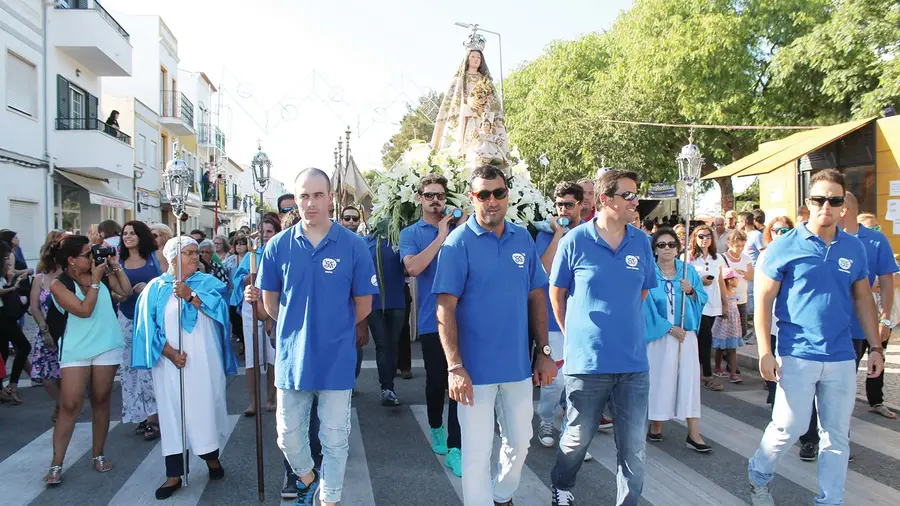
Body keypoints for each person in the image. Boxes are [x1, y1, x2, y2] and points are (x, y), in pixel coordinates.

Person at [748, 169, 884, 506]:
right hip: (797, 353)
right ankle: (759, 475)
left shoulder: (854, 248)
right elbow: (763, 300)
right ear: (808, 203)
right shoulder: (784, 246)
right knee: (787, 429)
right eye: (820, 199)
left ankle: (830, 500)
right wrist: (765, 350)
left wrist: (877, 346)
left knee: (836, 437)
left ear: (843, 208)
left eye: (834, 200)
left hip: (840, 355)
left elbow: (864, 297)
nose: (827, 205)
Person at [254, 167, 377, 506]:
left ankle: (330, 499)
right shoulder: (278, 246)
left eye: (318, 195)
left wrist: (331, 327)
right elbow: (270, 303)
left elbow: (363, 305)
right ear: (296, 200)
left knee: (335, 439)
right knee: (288, 437)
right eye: (304, 196)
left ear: (330, 199)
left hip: (337, 357)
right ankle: (309, 480)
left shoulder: (353, 246)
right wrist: (299, 326)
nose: (311, 203)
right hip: (293, 358)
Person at [433, 165, 555, 506]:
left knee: (521, 442)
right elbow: (445, 307)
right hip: (473, 373)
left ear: (507, 195)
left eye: (498, 193)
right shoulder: (458, 244)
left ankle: (502, 494)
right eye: (483, 194)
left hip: (516, 367)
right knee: (475, 452)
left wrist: (543, 351)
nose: (491, 201)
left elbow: (536, 296)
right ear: (472, 198)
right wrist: (455, 366)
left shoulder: (522, 239)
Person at [549, 169, 656, 506]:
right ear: (606, 200)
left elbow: (640, 292)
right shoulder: (574, 241)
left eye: (636, 195)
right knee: (577, 438)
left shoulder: (641, 241)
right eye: (628, 195)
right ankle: (562, 486)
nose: (635, 201)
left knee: (633, 447)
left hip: (633, 364)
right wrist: (574, 334)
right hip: (587, 363)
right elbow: (557, 293)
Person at [131, 236, 238, 499]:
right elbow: (146, 328)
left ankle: (211, 457)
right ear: (172, 258)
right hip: (169, 363)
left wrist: (191, 296)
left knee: (204, 407)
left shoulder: (208, 283)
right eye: (189, 253)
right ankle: (174, 474)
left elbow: (222, 314)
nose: (195, 257)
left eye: (196, 253)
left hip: (204, 359)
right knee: (172, 412)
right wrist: (169, 352)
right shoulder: (154, 289)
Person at [43, 233, 132, 484]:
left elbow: (125, 291)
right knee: (70, 405)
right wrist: (95, 281)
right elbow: (84, 310)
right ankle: (56, 462)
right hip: (75, 348)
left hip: (106, 344)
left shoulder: (101, 274)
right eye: (87, 254)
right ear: (71, 260)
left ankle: (98, 454)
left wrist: (114, 267)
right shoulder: (58, 285)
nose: (93, 257)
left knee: (101, 399)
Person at [400, 173, 466, 474]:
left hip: (466, 319)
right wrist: (442, 236)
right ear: (419, 199)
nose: (435, 200)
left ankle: (456, 446)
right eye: (429, 195)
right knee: (437, 380)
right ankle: (435, 425)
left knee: (459, 383)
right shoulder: (411, 233)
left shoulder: (463, 228)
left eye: (440, 195)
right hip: (433, 320)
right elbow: (413, 267)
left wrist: (461, 229)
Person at [644, 227, 709, 450]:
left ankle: (693, 432)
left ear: (678, 248)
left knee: (688, 380)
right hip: (659, 336)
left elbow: (702, 298)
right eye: (661, 245)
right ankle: (655, 424)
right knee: (660, 379)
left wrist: (691, 291)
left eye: (671, 245)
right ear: (654, 249)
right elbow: (645, 306)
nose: (667, 249)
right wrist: (668, 328)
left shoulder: (687, 272)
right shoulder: (648, 272)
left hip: (685, 336)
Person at [840, 192, 898, 421]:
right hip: (835, 327)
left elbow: (888, 282)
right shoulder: (825, 239)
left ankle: (874, 403)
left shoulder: (876, 241)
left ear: (843, 208)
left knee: (862, 374)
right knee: (837, 386)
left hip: (864, 325)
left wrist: (885, 319)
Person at [536, 181, 584, 450]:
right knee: (555, 380)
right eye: (559, 204)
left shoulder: (592, 232)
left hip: (584, 318)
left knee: (579, 382)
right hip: (554, 319)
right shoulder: (545, 233)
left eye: (569, 204)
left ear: (581, 205)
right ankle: (545, 418)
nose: (563, 209)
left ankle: (570, 431)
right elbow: (543, 269)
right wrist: (558, 235)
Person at [117, 221, 162, 441]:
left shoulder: (155, 257)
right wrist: (118, 294)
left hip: (152, 318)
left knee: (151, 368)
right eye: (124, 233)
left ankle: (154, 417)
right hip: (126, 317)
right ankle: (140, 415)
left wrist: (150, 287)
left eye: (132, 233)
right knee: (130, 369)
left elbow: (169, 283)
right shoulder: (118, 261)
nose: (128, 237)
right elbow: (112, 288)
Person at [230, 216, 280, 415]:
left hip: (274, 306)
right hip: (251, 306)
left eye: (270, 231)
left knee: (273, 355)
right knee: (252, 357)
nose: (266, 235)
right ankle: (252, 401)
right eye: (263, 232)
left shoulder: (280, 251)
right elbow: (238, 282)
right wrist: (250, 276)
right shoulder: (252, 254)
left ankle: (271, 398)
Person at [432, 31, 508, 160]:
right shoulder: (459, 79)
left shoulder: (485, 80)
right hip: (464, 118)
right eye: (473, 56)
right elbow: (453, 101)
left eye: (478, 58)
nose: (476, 60)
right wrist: (469, 104)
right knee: (463, 145)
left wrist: (484, 103)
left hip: (481, 118)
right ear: (467, 58)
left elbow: (493, 102)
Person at [363, 231, 406, 406]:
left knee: (393, 345)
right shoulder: (365, 242)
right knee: (383, 346)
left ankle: (390, 386)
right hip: (373, 304)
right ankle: (387, 388)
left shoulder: (399, 238)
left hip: (396, 301)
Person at [27, 231, 67, 419]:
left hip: (67, 330)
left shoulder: (68, 276)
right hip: (46, 331)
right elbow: (34, 307)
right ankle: (62, 404)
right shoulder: (39, 279)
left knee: (65, 373)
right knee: (46, 374)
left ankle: (65, 406)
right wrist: (44, 330)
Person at [687, 224, 727, 392]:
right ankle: (707, 376)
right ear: (695, 238)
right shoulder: (688, 257)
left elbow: (721, 281)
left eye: (708, 236)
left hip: (712, 303)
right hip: (695, 303)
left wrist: (725, 303)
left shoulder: (717, 258)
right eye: (701, 236)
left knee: (702, 339)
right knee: (705, 338)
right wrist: (699, 281)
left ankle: (697, 372)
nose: (705, 239)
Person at [0, 243, 31, 404]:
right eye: (6, 257)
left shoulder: (4, 273)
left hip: (5, 316)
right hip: (4, 317)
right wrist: (12, 285)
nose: (8, 260)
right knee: (24, 346)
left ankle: (8, 387)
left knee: (4, 352)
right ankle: (11, 386)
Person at [712, 268, 744, 383]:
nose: (738, 281)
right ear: (730, 280)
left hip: (733, 324)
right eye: (736, 279)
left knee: (732, 348)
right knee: (720, 347)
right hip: (724, 322)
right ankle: (718, 368)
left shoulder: (734, 294)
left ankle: (733, 372)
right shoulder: (723, 294)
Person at [722, 230, 753, 340]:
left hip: (742, 299)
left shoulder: (746, 258)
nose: (740, 248)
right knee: (727, 331)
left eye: (742, 245)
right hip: (728, 300)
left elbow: (752, 275)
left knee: (742, 330)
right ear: (729, 244)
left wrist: (741, 273)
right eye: (737, 246)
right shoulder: (721, 258)